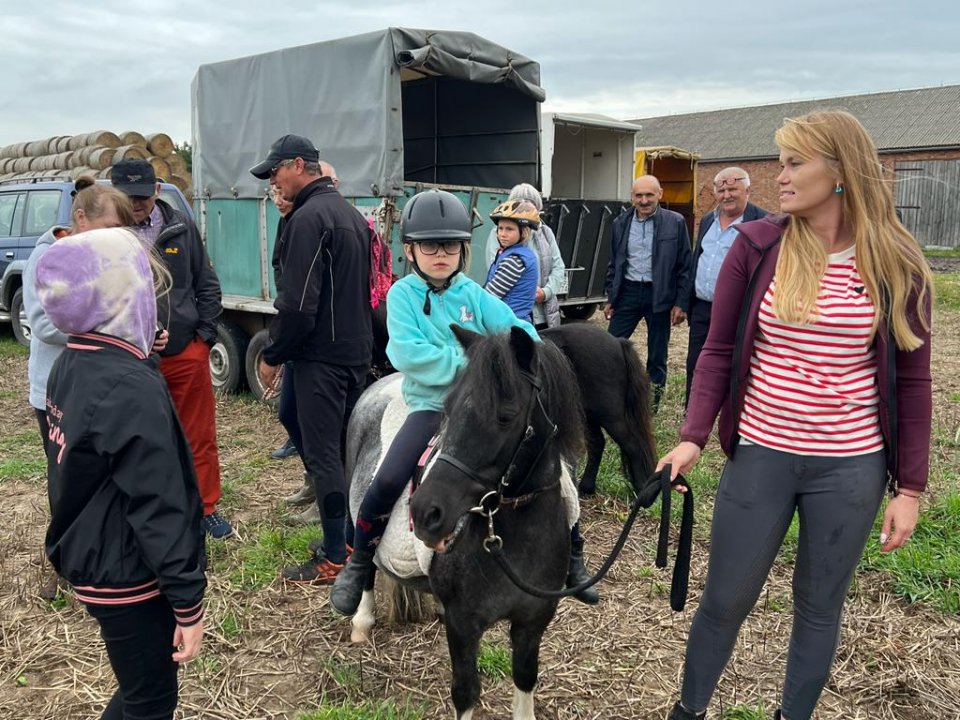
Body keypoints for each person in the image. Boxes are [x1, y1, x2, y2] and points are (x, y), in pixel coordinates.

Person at [659, 110, 933, 720]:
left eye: (793, 163)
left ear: (839, 173)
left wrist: (910, 487)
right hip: (762, 455)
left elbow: (913, 381)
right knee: (724, 600)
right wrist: (692, 437)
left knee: (818, 606)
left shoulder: (897, 264)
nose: (779, 177)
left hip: (852, 468)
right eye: (779, 163)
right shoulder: (758, 248)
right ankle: (689, 711)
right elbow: (719, 349)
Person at [36, 226, 206, 720]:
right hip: (130, 573)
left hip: (95, 555)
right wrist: (187, 603)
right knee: (150, 700)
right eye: (142, 284)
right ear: (120, 296)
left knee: (140, 690)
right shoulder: (128, 387)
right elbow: (159, 504)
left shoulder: (74, 361)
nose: (151, 294)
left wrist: (137, 351)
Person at [250, 135, 373, 583]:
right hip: (352, 351)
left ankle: (336, 554)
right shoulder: (350, 215)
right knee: (337, 445)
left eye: (276, 173)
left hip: (320, 355)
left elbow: (299, 304)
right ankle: (350, 535)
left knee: (327, 455)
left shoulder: (310, 218)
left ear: (298, 165)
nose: (274, 183)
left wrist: (274, 352)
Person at [23, 178, 136, 600]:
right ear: (80, 218)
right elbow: (46, 324)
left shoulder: (101, 255)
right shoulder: (47, 259)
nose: (112, 239)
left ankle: (105, 552)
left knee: (102, 474)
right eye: (105, 227)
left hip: (98, 389)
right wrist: (112, 323)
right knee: (65, 479)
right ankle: (66, 562)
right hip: (59, 391)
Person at [111, 159, 231, 539]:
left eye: (143, 196)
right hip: (126, 358)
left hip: (183, 353)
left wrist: (203, 337)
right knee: (135, 436)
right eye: (128, 197)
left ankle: (206, 506)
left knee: (198, 433)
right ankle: (147, 509)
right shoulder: (105, 234)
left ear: (157, 191)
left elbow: (206, 283)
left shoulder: (179, 226)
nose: (137, 204)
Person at [270, 161, 342, 466]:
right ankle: (313, 474)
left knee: (324, 426)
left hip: (325, 340)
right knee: (289, 413)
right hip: (299, 335)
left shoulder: (322, 219)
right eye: (275, 193)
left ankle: (326, 481)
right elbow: (279, 266)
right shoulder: (289, 223)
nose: (280, 197)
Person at [604, 175, 692, 411]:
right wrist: (611, 297)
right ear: (632, 197)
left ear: (660, 194)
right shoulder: (620, 223)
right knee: (610, 347)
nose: (644, 200)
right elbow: (615, 262)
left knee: (657, 354)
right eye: (639, 195)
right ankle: (613, 398)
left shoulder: (675, 222)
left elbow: (685, 265)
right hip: (628, 293)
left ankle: (650, 406)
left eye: (649, 195)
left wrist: (681, 303)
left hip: (660, 293)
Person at [685, 168, 768, 407]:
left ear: (748, 191)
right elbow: (697, 259)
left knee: (737, 362)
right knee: (697, 361)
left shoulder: (762, 222)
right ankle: (693, 409)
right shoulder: (708, 220)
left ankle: (734, 410)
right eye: (721, 190)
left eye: (733, 189)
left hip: (739, 310)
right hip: (703, 307)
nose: (726, 195)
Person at [484, 183, 566, 329]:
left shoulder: (546, 233)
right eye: (519, 203)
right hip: (513, 314)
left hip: (544, 313)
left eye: (530, 203)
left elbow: (558, 266)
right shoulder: (499, 234)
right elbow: (496, 270)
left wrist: (546, 292)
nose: (524, 206)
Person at [483, 199, 541, 323]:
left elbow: (490, 296)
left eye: (509, 229)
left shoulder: (515, 260)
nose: (502, 234)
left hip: (509, 326)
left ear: (523, 232)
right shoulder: (513, 254)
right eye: (500, 228)